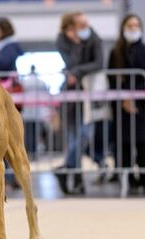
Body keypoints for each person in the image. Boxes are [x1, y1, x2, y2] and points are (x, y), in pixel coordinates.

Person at [54, 12, 104, 195]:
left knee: (84, 135)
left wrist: (76, 72)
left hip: (88, 92)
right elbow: (70, 62)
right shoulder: (62, 39)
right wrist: (75, 44)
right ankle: (77, 180)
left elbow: (99, 63)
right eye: (81, 24)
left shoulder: (93, 37)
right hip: (70, 94)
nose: (85, 27)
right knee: (74, 137)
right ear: (71, 26)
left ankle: (64, 169)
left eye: (86, 23)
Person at [108, 14, 145, 195]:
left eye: (136, 25)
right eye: (130, 25)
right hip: (121, 108)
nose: (133, 28)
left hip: (143, 107)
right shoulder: (116, 53)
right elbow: (111, 79)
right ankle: (128, 178)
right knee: (124, 143)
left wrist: (135, 98)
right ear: (123, 28)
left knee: (143, 142)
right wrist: (124, 99)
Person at [0, 17, 23, 189]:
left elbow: (0, 63)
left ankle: (13, 175)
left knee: (10, 139)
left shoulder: (10, 46)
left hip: (7, 98)